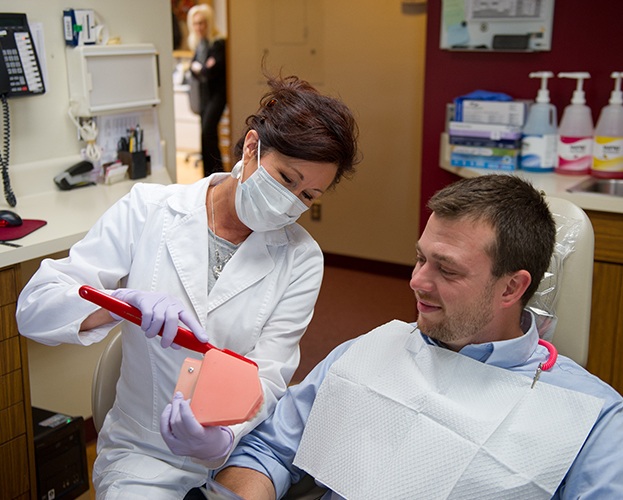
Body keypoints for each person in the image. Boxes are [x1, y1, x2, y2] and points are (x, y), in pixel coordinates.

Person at [16, 73, 359, 498]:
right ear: (251, 147)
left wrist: (223, 437)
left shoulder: (302, 259)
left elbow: (269, 374)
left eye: (309, 196)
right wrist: (119, 303)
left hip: (236, 450)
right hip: (145, 454)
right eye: (287, 179)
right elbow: (33, 308)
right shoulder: (149, 209)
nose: (292, 201)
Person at [214, 175, 623, 499]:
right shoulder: (367, 352)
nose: (416, 281)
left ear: (512, 288)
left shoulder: (590, 417)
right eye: (420, 258)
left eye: (447, 269)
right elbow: (268, 452)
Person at [187, 3, 227, 177]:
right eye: (195, 24)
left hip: (217, 96)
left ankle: (218, 174)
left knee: (208, 133)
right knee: (205, 136)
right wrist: (201, 68)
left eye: (202, 23)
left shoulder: (218, 44)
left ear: (209, 23)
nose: (199, 27)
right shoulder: (200, 45)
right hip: (204, 96)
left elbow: (209, 71)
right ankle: (208, 176)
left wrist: (201, 68)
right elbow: (194, 70)